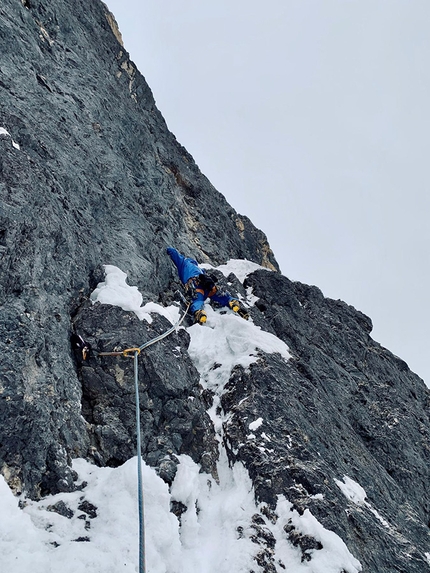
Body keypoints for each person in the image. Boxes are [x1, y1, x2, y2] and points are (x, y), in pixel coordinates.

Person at [166, 247, 249, 324]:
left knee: (197, 300)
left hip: (195, 285)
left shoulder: (184, 262)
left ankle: (199, 312)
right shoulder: (199, 269)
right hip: (207, 284)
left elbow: (174, 253)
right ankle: (232, 302)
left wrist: (168, 249)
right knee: (221, 297)